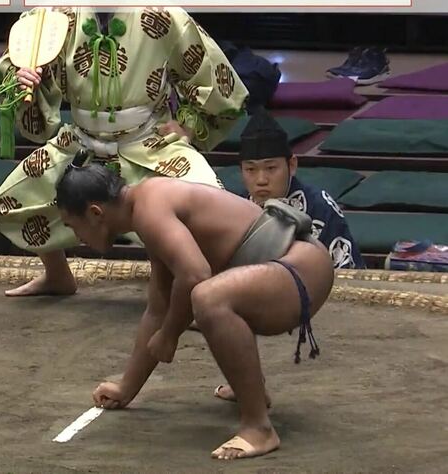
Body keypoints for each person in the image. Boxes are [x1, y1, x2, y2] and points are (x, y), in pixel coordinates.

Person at [55, 152, 334, 460]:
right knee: (207, 293)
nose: (76, 237)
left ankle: (259, 428)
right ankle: (252, 390)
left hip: (300, 270)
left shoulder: (150, 207)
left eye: (72, 225)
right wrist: (127, 386)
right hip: (284, 270)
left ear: (95, 213)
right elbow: (158, 308)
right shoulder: (147, 205)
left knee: (208, 297)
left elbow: (194, 275)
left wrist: (170, 335)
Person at [0, 7, 249, 296]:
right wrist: (26, 81)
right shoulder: (54, 19)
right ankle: (57, 275)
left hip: (148, 142)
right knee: (14, 203)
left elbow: (212, 74)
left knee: (205, 201)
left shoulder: (162, 15)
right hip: (80, 143)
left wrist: (188, 124)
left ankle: (207, 292)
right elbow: (16, 69)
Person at [239, 107, 365, 269]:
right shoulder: (237, 207)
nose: (261, 180)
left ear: (291, 165)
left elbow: (343, 270)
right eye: (251, 170)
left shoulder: (320, 207)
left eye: (271, 168)